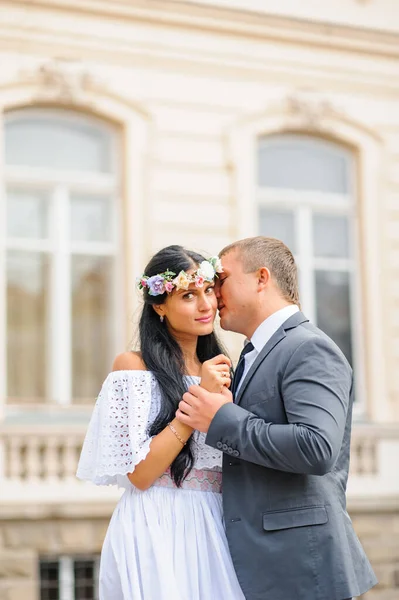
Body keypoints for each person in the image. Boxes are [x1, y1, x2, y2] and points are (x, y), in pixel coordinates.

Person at [176, 236, 378, 600]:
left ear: (261, 278)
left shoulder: (308, 347)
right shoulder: (254, 353)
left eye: (221, 279)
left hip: (302, 567)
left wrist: (221, 418)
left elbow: (316, 447)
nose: (213, 291)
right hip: (263, 565)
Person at [76, 245, 245, 600]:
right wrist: (199, 398)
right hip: (157, 523)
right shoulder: (133, 368)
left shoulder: (223, 367)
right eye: (188, 295)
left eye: (209, 290)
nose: (206, 305)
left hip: (217, 524)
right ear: (159, 306)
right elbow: (140, 474)